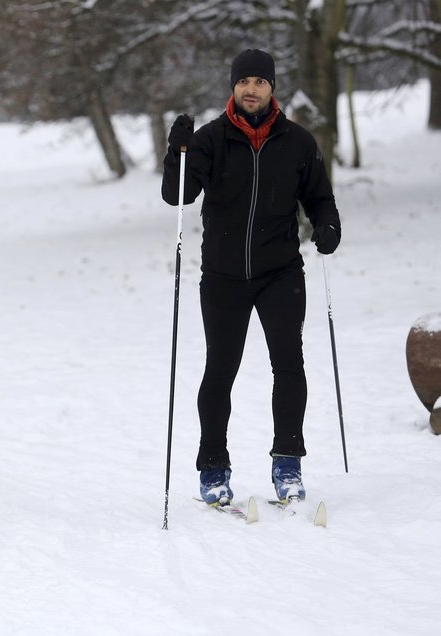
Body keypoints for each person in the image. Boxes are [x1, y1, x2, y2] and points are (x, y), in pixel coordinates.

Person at [161, 49, 341, 505]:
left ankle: (288, 463)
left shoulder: (298, 142)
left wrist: (328, 226)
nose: (252, 89)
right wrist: (176, 152)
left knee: (289, 364)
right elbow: (176, 195)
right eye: (245, 82)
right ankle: (213, 469)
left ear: (272, 87)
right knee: (220, 370)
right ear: (233, 87)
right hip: (223, 276)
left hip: (280, 272)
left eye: (261, 81)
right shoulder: (209, 140)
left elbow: (320, 198)